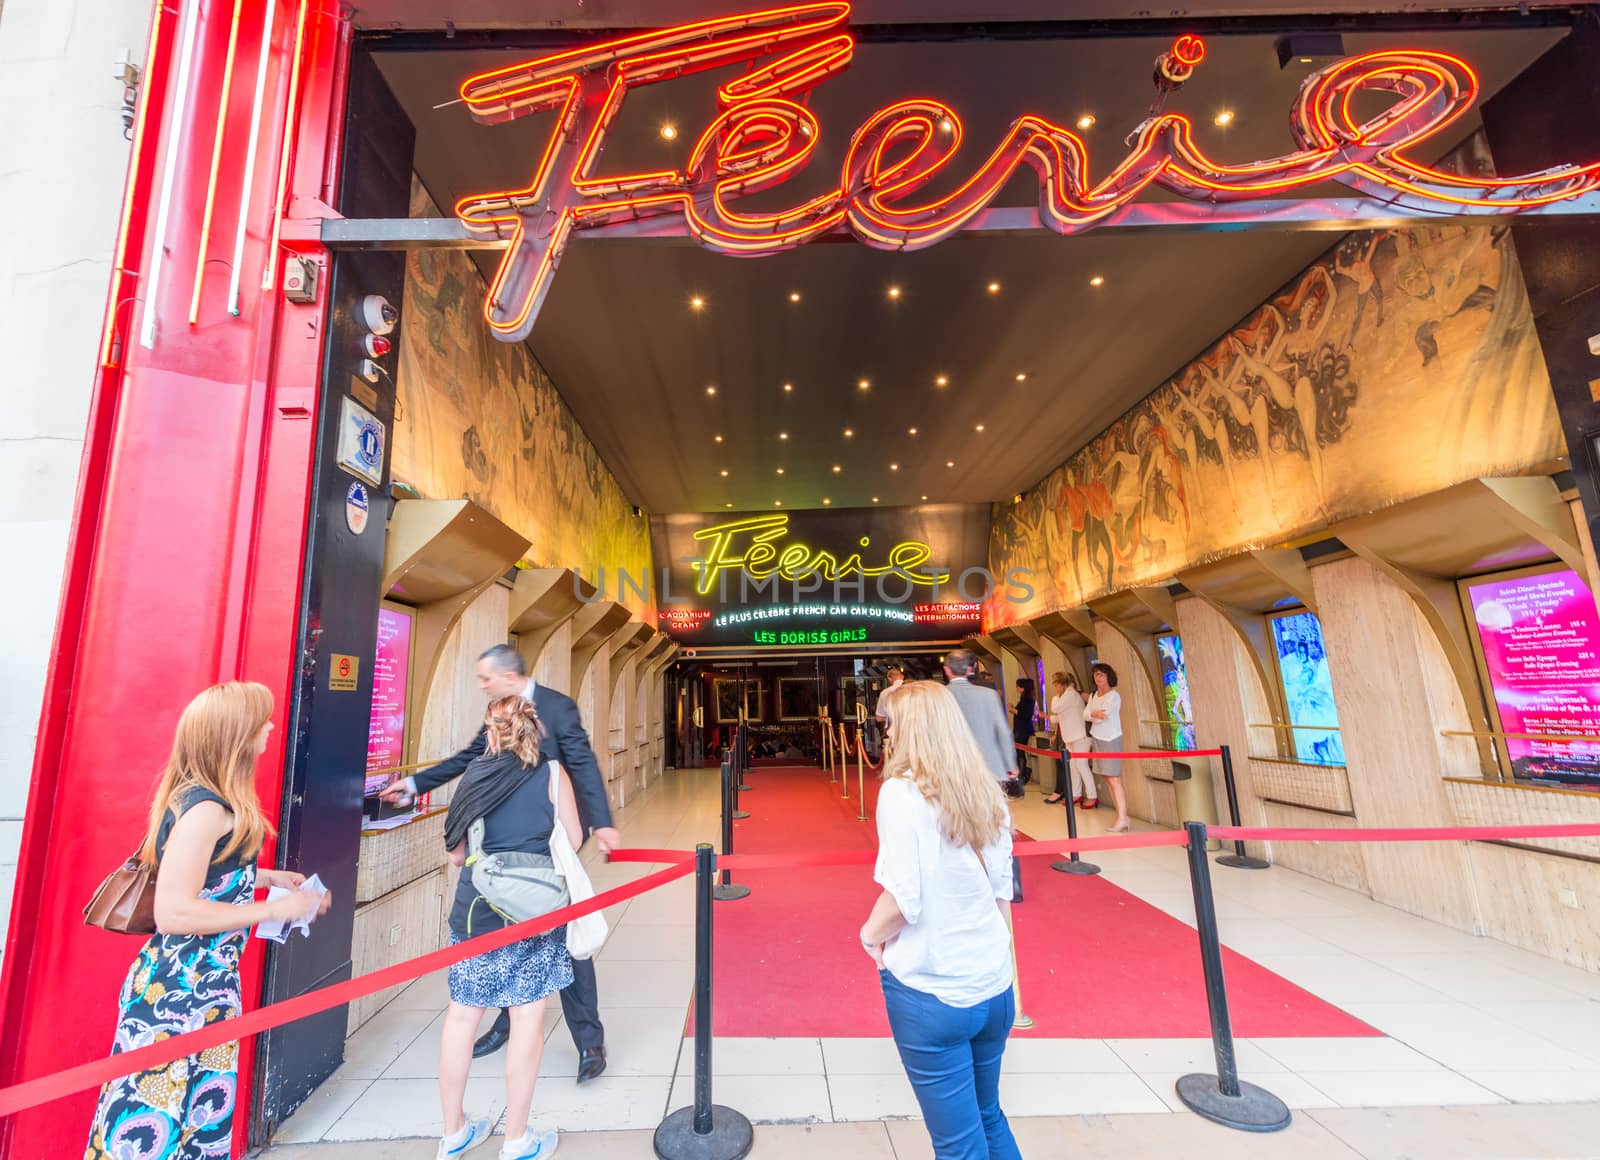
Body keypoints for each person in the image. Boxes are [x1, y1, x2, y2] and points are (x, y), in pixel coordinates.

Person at [86, 682, 331, 1160]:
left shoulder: (205, 801)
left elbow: (204, 874)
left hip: (204, 988)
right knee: (153, 1126)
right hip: (178, 992)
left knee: (194, 1115)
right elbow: (174, 912)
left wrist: (264, 876)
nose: (271, 728)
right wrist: (271, 908)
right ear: (237, 736)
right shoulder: (206, 809)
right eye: (263, 720)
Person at [382, 644, 617, 1081]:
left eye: (486, 677)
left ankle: (589, 1042)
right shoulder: (497, 717)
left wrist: (601, 823)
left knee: (567, 945)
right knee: (512, 942)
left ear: (509, 676)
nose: (481, 685)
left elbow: (582, 765)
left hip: (545, 857)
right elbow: (465, 763)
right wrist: (414, 784)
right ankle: (508, 1023)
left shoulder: (558, 708)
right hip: (496, 865)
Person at [860, 681, 1021, 1160]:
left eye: (890, 725)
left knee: (956, 1143)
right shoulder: (988, 793)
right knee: (989, 1114)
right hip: (993, 986)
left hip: (933, 989)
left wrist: (869, 937)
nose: (885, 735)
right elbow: (1001, 893)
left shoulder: (900, 795)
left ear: (909, 730)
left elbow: (901, 900)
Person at [435, 696, 578, 1160]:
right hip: (533, 914)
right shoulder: (552, 774)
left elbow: (456, 854)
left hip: (476, 913)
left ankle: (454, 1131)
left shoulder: (476, 775)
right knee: (527, 1016)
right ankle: (516, 1139)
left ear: (492, 732)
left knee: (462, 1015)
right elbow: (573, 841)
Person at [943, 650, 1019, 793]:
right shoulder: (989, 695)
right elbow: (1002, 731)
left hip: (953, 769)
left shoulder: (938, 696)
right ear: (970, 670)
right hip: (990, 766)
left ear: (946, 670)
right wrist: (1010, 764)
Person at [1086, 662, 1129, 831]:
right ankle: (1121, 815)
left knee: (1114, 779)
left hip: (1110, 738)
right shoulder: (1093, 695)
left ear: (1108, 677)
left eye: (1101, 675)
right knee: (1107, 779)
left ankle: (1122, 817)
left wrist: (1092, 714)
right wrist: (1092, 714)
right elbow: (1086, 715)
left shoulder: (1113, 696)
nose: (1098, 678)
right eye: (1096, 674)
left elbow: (1102, 716)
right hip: (1097, 738)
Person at [1043, 671, 1094, 808]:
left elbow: (1055, 708)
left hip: (1080, 736)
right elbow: (1060, 717)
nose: (1055, 688)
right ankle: (1076, 795)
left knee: (1082, 766)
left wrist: (1055, 698)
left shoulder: (1070, 694)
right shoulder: (1066, 696)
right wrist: (1048, 717)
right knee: (1073, 767)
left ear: (1063, 684)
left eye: (1056, 685)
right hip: (1071, 736)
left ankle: (1092, 796)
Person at [1010, 678, 1037, 785]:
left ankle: (1022, 774)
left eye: (1018, 686)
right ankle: (1022, 773)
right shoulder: (1024, 699)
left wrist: (1012, 709)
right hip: (1020, 729)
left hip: (1022, 730)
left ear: (1022, 688)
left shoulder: (1028, 700)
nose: (1016, 688)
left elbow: (1023, 714)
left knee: (1020, 753)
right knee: (1019, 753)